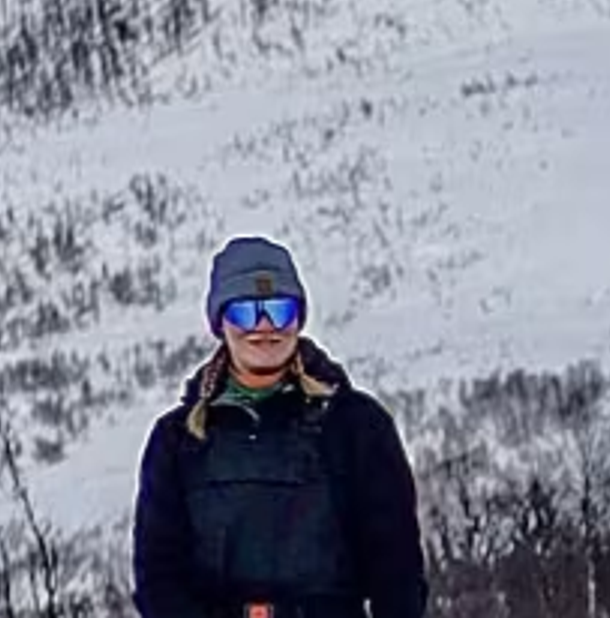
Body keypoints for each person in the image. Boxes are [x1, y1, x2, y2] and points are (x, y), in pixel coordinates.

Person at [132, 236, 431, 618]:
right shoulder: (179, 439)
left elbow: (397, 568)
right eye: (245, 312)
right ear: (220, 323)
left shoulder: (355, 426)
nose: (264, 327)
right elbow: (158, 575)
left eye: (279, 310)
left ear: (298, 320)